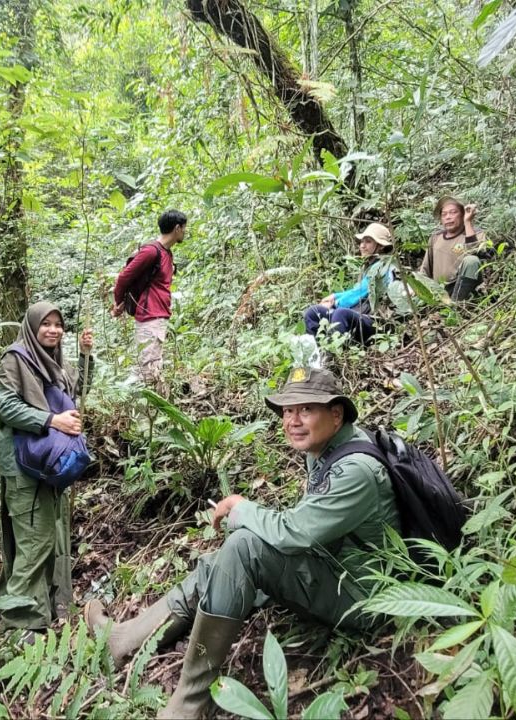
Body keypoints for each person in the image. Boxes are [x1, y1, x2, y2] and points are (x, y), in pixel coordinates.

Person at [84, 368, 397, 719]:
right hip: (333, 567)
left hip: (364, 598)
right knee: (231, 556)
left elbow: (296, 532)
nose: (292, 421)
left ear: (336, 414)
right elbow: (307, 527)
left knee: (244, 546)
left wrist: (242, 508)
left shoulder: (355, 470)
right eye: (287, 411)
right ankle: (125, 639)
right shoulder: (328, 447)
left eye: (306, 410)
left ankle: (190, 700)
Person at [0, 301, 93, 631]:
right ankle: (21, 625)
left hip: (50, 464)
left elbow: (74, 397)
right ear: (32, 326)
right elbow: (7, 406)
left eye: (58, 324)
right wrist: (52, 421)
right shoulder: (16, 358)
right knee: (33, 544)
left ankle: (51, 609)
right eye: (46, 324)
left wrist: (85, 357)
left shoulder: (52, 362)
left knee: (51, 540)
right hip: (23, 466)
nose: (53, 329)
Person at [112, 210, 186, 388]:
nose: (185, 232)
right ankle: (131, 404)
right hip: (149, 316)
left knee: (153, 368)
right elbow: (123, 278)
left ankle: (148, 411)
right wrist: (118, 303)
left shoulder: (167, 254)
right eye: (184, 228)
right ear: (177, 228)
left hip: (158, 316)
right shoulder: (151, 252)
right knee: (145, 373)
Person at [303, 222, 399, 344]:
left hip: (376, 320)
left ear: (380, 246)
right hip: (361, 314)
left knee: (340, 314)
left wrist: (334, 303)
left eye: (368, 242)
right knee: (313, 312)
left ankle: (333, 357)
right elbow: (357, 290)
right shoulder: (369, 266)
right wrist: (335, 296)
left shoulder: (382, 268)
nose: (362, 246)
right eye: (362, 242)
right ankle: (316, 354)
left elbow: (359, 293)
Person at [419, 197, 493, 301]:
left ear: (462, 214)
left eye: (453, 212)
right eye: (444, 214)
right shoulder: (435, 238)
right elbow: (425, 270)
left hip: (467, 289)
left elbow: (477, 256)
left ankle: (455, 305)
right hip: (440, 291)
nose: (448, 217)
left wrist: (467, 222)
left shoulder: (476, 233)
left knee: (471, 260)